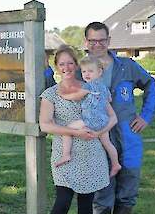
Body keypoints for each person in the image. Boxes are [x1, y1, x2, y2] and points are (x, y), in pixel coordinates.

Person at [83, 22, 155, 214]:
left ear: (109, 41)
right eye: (92, 41)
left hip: (128, 135)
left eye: (101, 40)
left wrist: (145, 116)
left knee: (128, 189)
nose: (97, 45)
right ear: (86, 42)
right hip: (97, 138)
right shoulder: (80, 70)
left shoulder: (126, 66)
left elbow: (150, 84)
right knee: (102, 193)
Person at [39, 45, 117, 214]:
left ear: (76, 65)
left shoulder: (91, 87)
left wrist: (98, 132)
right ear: (57, 67)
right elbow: (45, 124)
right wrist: (75, 132)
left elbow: (112, 117)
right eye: (61, 64)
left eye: (70, 63)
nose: (66, 68)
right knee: (62, 202)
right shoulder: (50, 94)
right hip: (65, 155)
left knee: (86, 205)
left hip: (91, 154)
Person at [55, 55, 121, 178]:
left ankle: (66, 154)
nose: (87, 74)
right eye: (84, 71)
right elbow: (109, 99)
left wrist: (64, 96)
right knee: (107, 143)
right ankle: (116, 163)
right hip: (103, 121)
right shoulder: (104, 88)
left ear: (100, 72)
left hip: (89, 120)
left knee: (68, 129)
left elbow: (76, 96)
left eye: (90, 71)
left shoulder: (88, 86)